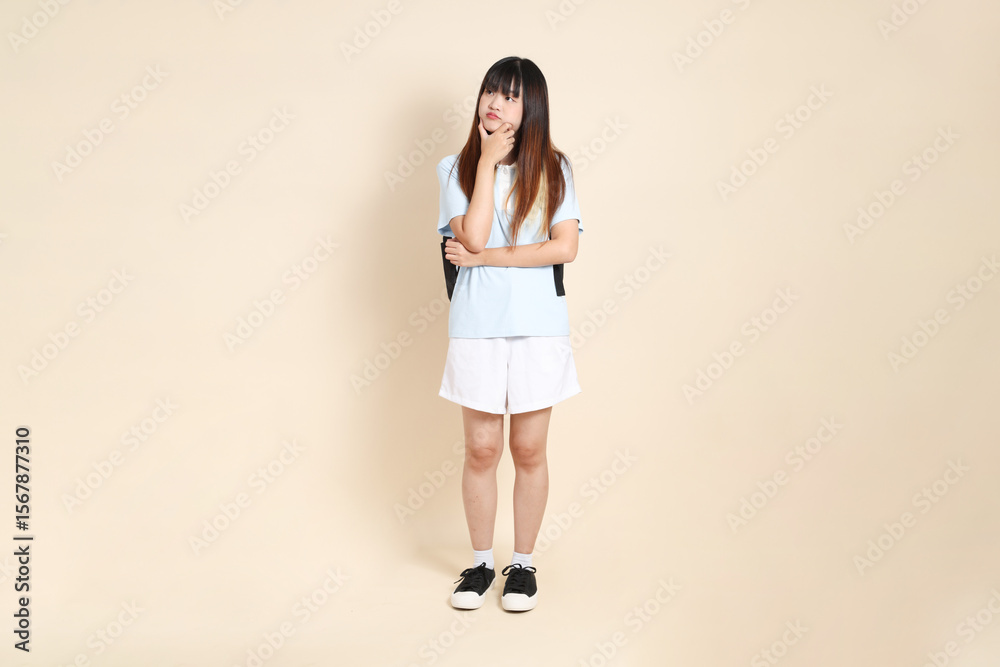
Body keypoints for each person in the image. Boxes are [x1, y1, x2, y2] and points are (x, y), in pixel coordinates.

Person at [435, 56, 583, 612]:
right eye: (491, 92)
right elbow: (471, 236)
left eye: (512, 96)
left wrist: (486, 260)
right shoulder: (455, 168)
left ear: (531, 107)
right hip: (477, 327)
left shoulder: (555, 168)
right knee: (481, 448)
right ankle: (480, 563)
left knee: (527, 448)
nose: (496, 103)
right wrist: (487, 164)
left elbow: (564, 247)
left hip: (539, 327)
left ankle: (522, 565)